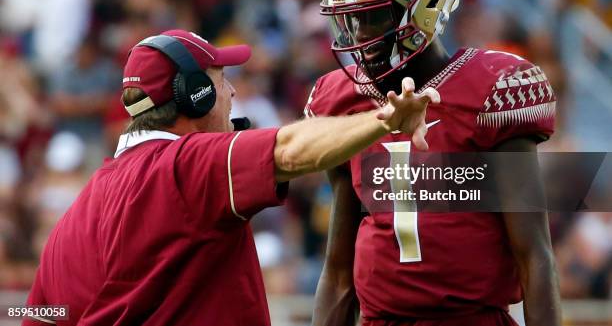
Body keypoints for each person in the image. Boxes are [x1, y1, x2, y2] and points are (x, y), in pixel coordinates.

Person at [23, 28, 439, 326]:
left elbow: (42, 315)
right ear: (196, 93)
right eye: (222, 81)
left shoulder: (72, 219)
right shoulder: (185, 166)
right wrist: (386, 120)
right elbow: (290, 149)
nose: (232, 93)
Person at [306, 0, 562, 326]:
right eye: (351, 19)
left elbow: (534, 256)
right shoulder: (342, 100)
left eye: (372, 16)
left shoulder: (492, 90)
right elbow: (338, 273)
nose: (359, 34)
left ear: (421, 4)